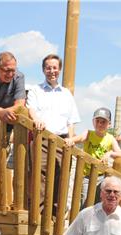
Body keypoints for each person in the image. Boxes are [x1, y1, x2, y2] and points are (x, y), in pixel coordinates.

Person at [27, 53, 81, 200]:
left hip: (62, 141)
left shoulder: (66, 94)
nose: (52, 71)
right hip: (42, 139)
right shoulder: (35, 90)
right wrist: (36, 120)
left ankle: (56, 212)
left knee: (61, 178)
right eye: (48, 68)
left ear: (59, 70)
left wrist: (71, 139)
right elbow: (31, 109)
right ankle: (39, 211)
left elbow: (71, 121)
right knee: (40, 178)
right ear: (43, 70)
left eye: (55, 68)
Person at [68, 107, 121, 204]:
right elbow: (80, 138)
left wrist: (110, 153)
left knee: (99, 202)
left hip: (101, 177)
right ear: (93, 122)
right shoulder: (89, 134)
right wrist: (71, 140)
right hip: (87, 176)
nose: (99, 124)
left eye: (103, 122)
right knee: (85, 201)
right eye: (97, 121)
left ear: (109, 124)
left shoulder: (110, 138)